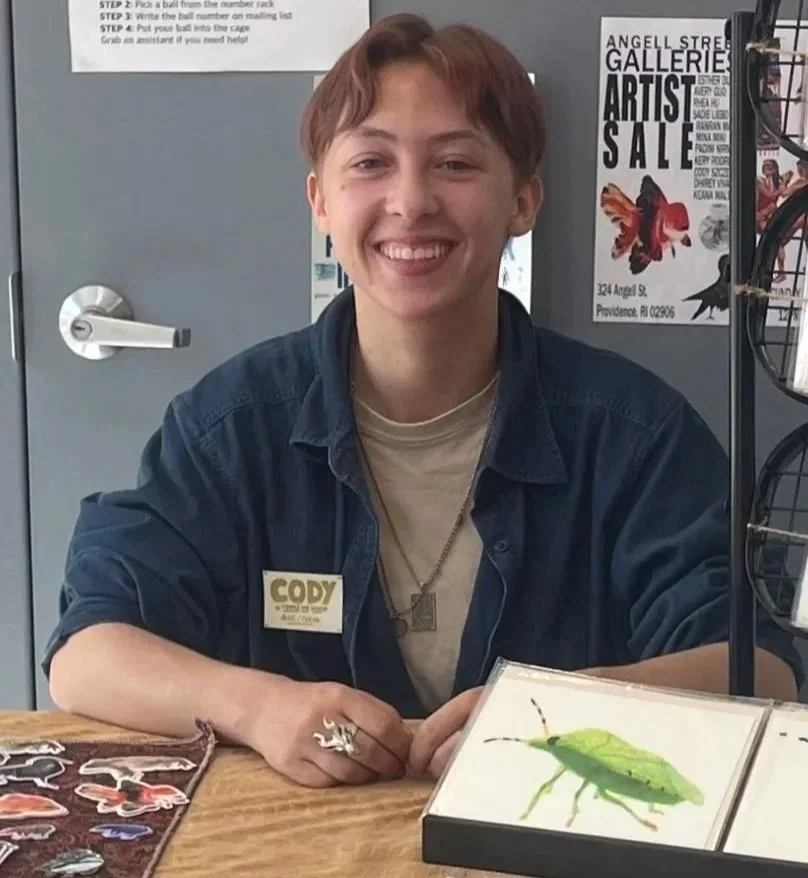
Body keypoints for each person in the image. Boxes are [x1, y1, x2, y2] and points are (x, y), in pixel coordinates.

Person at [45, 13, 802, 790]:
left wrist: (554, 711)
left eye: (455, 164)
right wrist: (258, 707)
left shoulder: (632, 434)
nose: (410, 201)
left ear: (524, 201)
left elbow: (765, 669)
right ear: (321, 202)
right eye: (371, 162)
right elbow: (87, 656)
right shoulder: (233, 426)